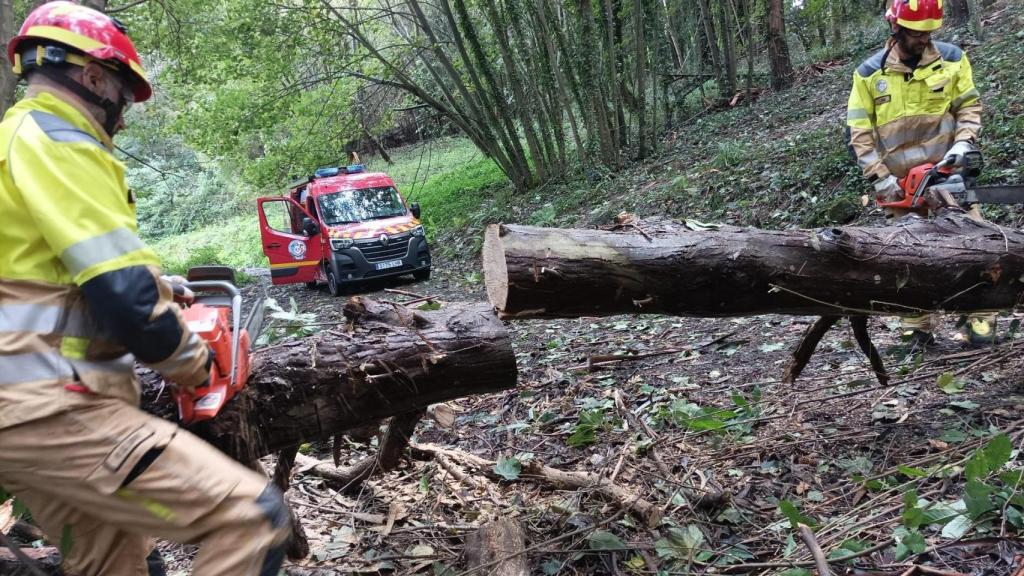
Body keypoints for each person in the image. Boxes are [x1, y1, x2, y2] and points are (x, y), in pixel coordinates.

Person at [0, 3, 290, 575]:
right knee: (253, 519)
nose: (124, 118)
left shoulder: (13, 140)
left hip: (22, 419)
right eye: (124, 97)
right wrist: (199, 367)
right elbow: (124, 294)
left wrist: (163, 286)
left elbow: (48, 274)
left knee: (115, 564)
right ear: (91, 76)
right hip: (51, 409)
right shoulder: (61, 137)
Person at [846, 0, 995, 349]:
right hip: (899, 184)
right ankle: (916, 327)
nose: (922, 38)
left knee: (976, 248)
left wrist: (963, 143)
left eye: (928, 31)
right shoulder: (870, 73)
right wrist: (879, 177)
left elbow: (969, 106)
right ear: (895, 27)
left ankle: (981, 319)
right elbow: (859, 132)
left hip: (948, 178)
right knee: (908, 258)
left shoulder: (952, 59)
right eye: (915, 32)